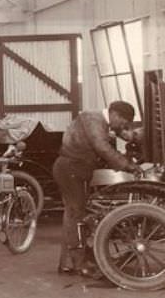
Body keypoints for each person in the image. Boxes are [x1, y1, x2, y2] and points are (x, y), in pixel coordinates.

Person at [52, 101, 142, 277]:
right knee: (76, 213)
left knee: (74, 213)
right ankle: (78, 264)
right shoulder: (93, 119)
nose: (122, 128)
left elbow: (114, 137)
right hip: (70, 168)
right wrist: (128, 166)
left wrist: (133, 137)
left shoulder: (100, 121)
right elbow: (101, 147)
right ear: (115, 115)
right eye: (123, 123)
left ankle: (68, 263)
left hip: (74, 168)